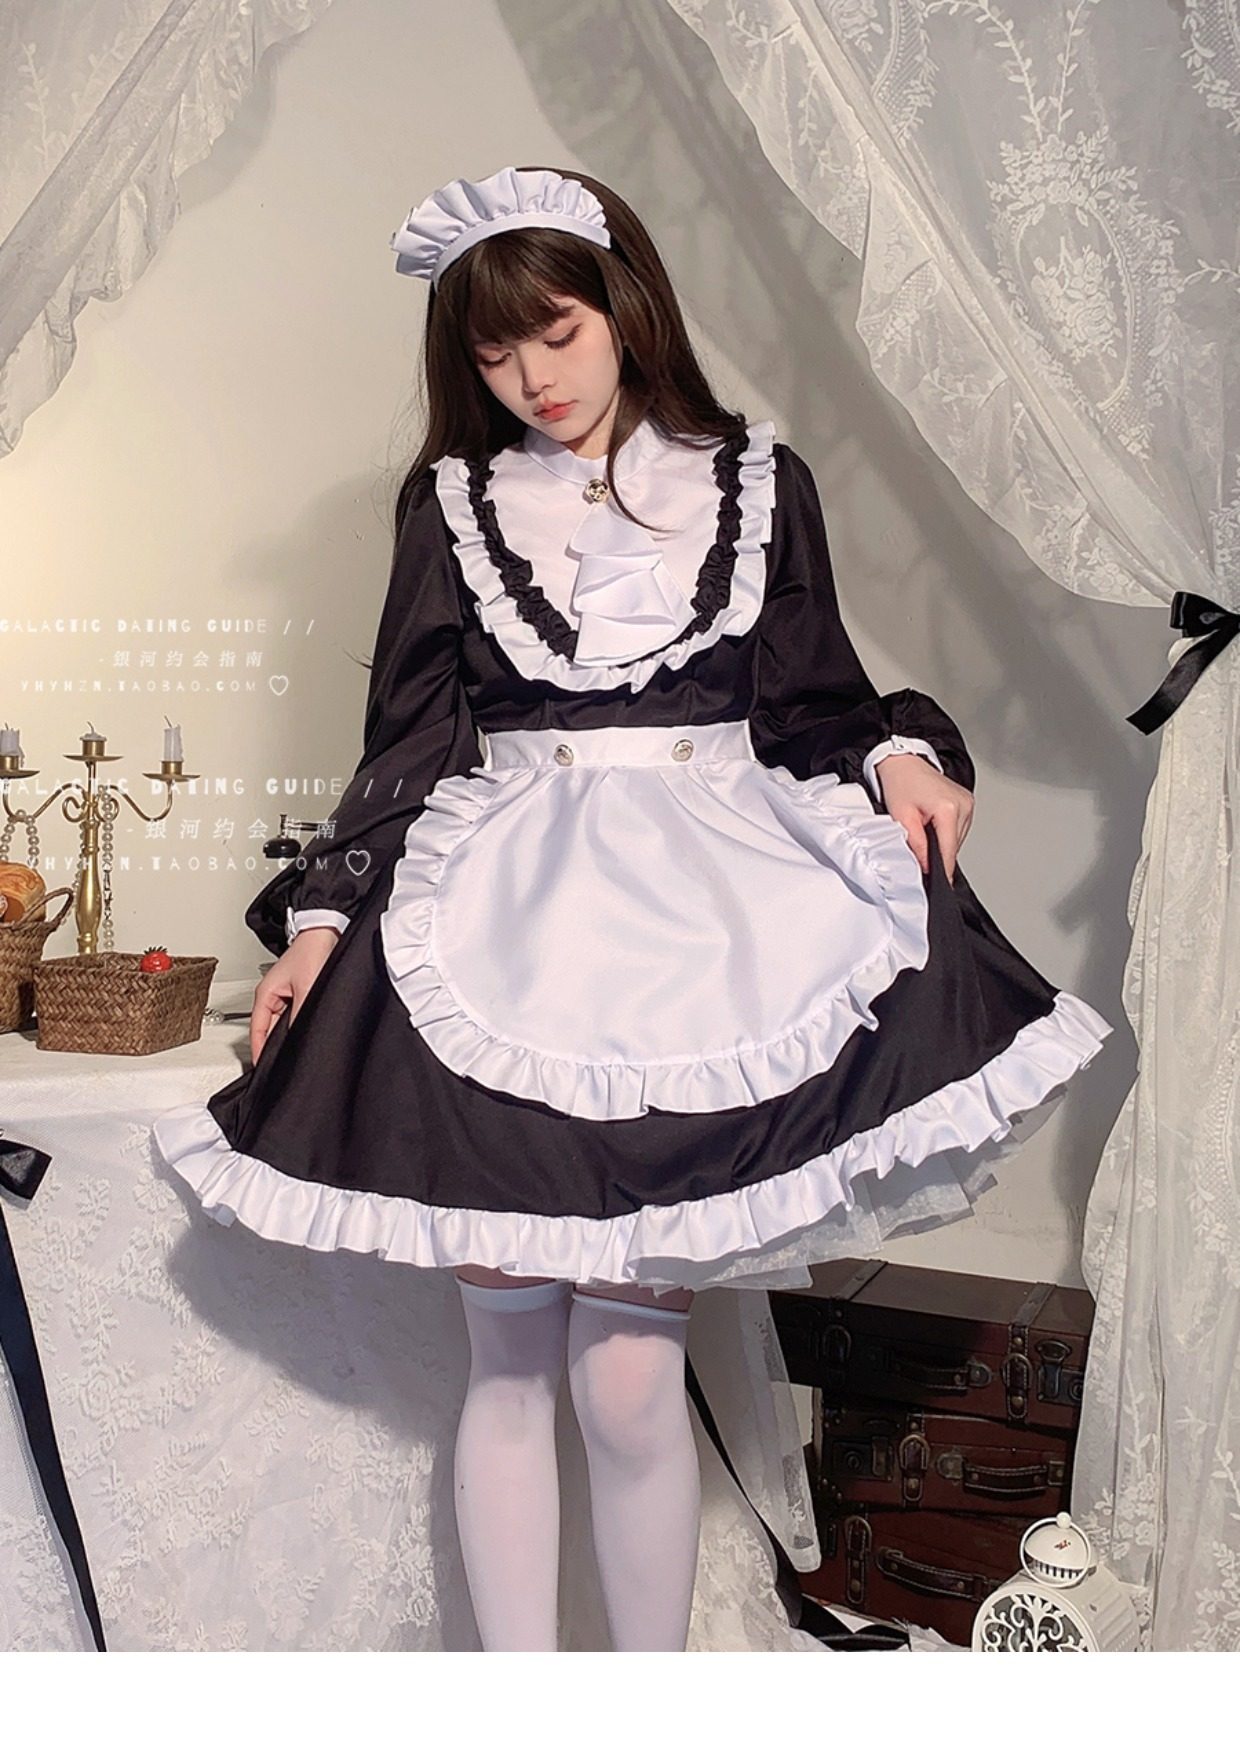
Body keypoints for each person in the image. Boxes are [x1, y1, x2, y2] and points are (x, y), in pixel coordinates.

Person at [152, 164, 1112, 1652]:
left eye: (558, 334)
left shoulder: (758, 483)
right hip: (500, 918)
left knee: (625, 1371)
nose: (533, 378)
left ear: (625, 306)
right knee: (508, 1359)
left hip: (706, 928)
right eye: (494, 355)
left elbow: (812, 699)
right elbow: (406, 743)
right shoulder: (452, 506)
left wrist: (901, 757)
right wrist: (324, 926)